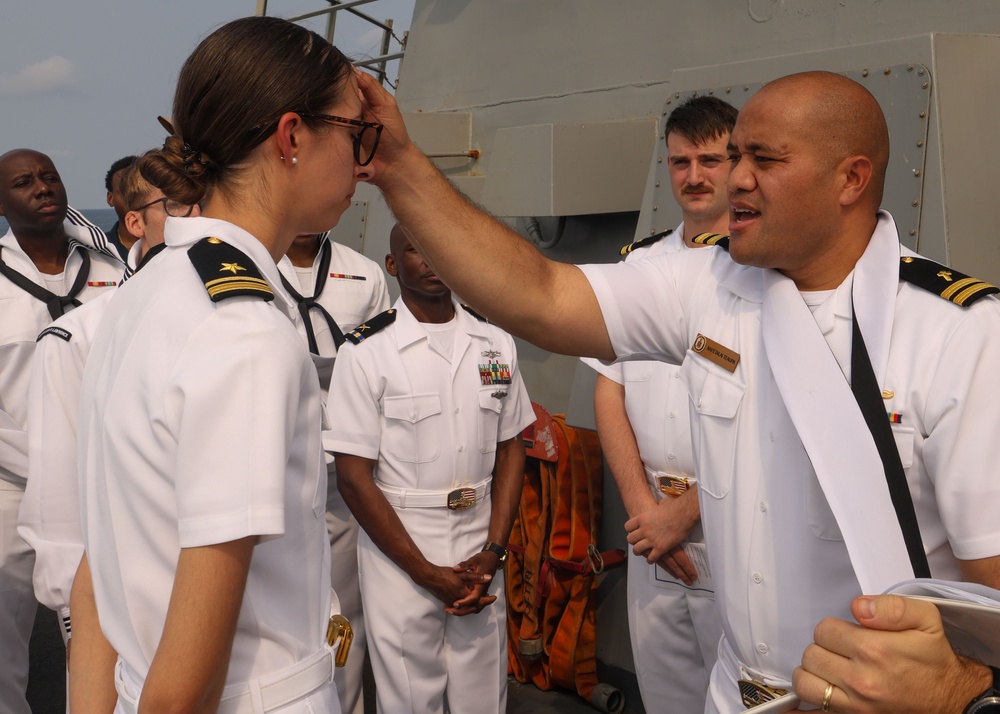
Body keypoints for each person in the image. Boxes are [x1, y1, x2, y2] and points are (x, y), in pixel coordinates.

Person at [355, 69, 1000, 713]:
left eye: (765, 160)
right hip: (735, 691)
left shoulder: (959, 337)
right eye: (738, 155)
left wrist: (962, 692)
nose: (738, 178)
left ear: (850, 180)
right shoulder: (704, 287)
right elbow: (543, 297)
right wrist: (401, 168)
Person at [71, 16, 374, 713]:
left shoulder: (145, 290)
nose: (363, 162)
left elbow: (103, 569)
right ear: (292, 136)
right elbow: (184, 691)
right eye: (356, 134)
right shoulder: (244, 329)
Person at [327, 224, 534, 714]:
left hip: (480, 541)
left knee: (484, 693)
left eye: (440, 245)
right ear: (393, 265)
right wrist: (426, 572)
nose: (432, 258)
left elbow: (511, 449)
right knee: (409, 696)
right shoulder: (365, 353)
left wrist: (495, 552)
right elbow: (354, 479)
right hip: (401, 544)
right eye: (416, 249)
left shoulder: (495, 343)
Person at [583, 95, 734, 713]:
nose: (694, 176)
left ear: (739, 162)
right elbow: (609, 388)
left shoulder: (766, 272)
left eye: (710, 160)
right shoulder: (640, 266)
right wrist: (646, 508)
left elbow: (782, 421)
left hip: (732, 529)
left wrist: (690, 511)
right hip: (652, 537)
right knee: (667, 698)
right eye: (680, 162)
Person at [17, 161, 197, 677]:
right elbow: (58, 502)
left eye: (201, 205)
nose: (194, 220)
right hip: (119, 587)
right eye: (176, 208)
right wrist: (80, 625)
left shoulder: (242, 318)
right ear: (136, 223)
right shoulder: (80, 337)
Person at [0, 148, 123, 714]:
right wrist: (40, 462)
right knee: (4, 647)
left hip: (102, 488)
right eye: (24, 182)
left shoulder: (114, 272)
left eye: (49, 177)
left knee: (104, 642)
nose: (42, 187)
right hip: (10, 484)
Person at [278, 230, 390, 714]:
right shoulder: (251, 267)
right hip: (278, 469)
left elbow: (384, 361)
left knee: (348, 613)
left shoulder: (364, 273)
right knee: (277, 614)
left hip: (345, 470)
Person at [103, 155, 140, 260]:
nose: (133, 198)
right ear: (110, 198)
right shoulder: (98, 251)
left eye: (141, 191)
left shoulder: (172, 247)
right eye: (125, 192)